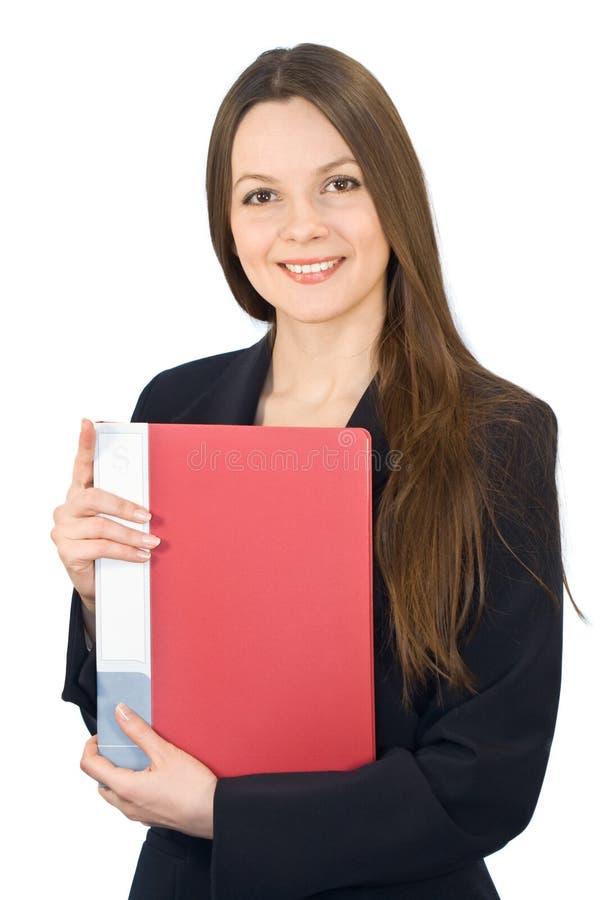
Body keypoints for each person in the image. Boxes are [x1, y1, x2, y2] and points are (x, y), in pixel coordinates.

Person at [52, 42, 582, 900]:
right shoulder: (176, 406)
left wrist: (228, 810)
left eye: (340, 183)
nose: (303, 226)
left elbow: (491, 778)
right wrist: (94, 593)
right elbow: (127, 727)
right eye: (262, 196)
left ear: (393, 197)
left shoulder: (500, 436)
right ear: (229, 224)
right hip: (194, 883)